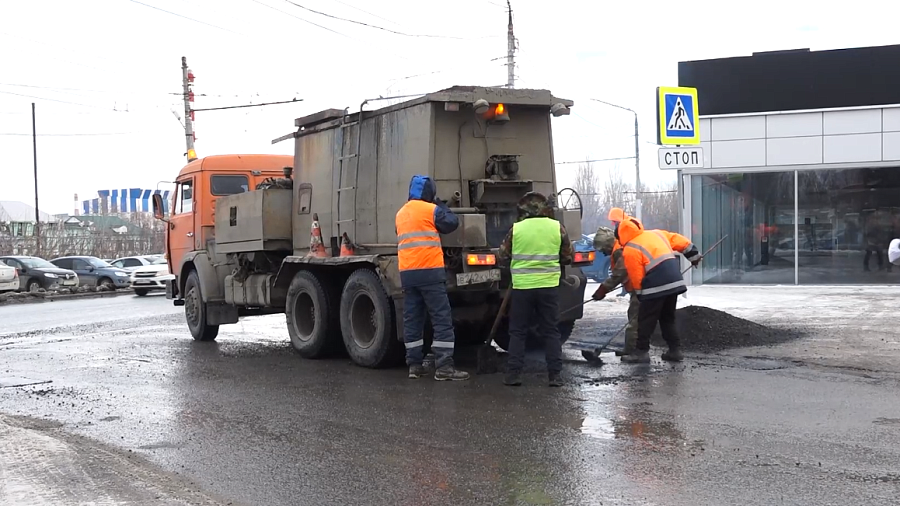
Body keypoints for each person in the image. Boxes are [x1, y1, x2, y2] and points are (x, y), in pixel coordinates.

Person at [395, 174, 469, 381]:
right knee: (441, 318)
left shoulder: (400, 213)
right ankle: (444, 367)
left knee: (413, 319)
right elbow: (451, 223)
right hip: (430, 271)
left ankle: (414, 366)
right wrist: (440, 205)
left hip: (408, 273)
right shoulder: (431, 210)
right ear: (429, 192)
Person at [597, 216, 701, 364]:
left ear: (622, 235)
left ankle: (641, 353)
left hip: (656, 284)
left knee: (645, 320)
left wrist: (640, 296)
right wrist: (694, 256)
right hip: (675, 281)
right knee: (667, 319)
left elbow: (636, 276)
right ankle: (675, 351)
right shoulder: (656, 234)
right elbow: (680, 241)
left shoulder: (631, 248)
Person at [497, 192, 574, 387]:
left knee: (518, 332)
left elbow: (503, 256)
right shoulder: (557, 228)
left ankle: (513, 375)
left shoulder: (516, 229)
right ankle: (555, 376)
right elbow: (567, 257)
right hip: (548, 287)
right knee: (551, 331)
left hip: (523, 288)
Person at [591, 224, 640, 359]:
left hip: (641, 288)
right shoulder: (621, 246)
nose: (602, 253)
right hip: (641, 286)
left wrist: (603, 289)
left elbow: (619, 273)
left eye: (602, 249)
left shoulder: (619, 250)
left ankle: (633, 351)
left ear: (607, 245)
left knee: (635, 319)